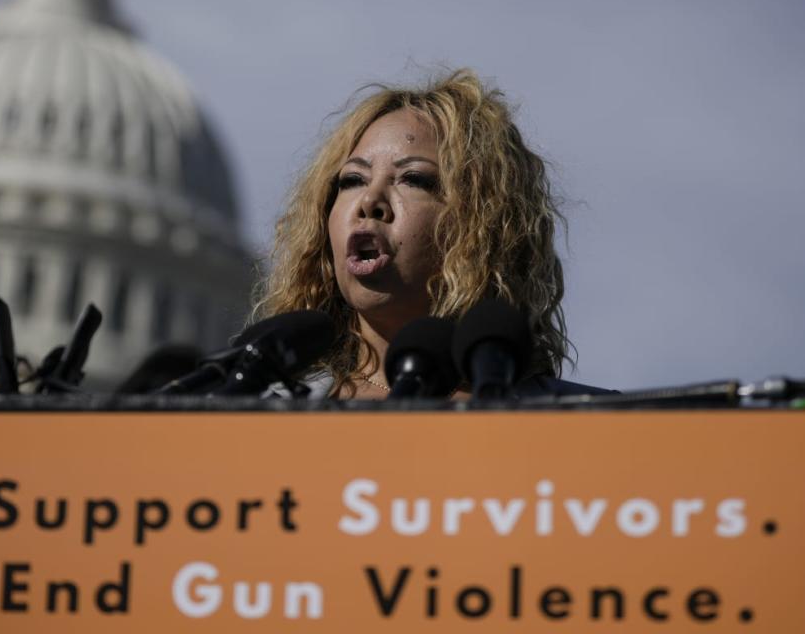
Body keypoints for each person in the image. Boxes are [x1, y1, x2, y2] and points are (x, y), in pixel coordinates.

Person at [252, 69, 607, 400]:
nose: (370, 201)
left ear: (484, 226)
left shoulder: (589, 423)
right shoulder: (263, 416)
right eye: (352, 181)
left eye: (414, 179)